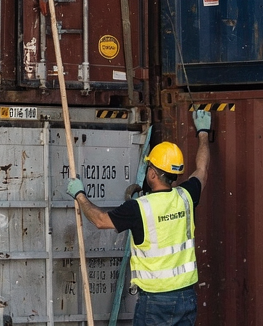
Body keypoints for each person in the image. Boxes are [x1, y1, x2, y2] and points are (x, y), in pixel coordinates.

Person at [65, 109, 212, 326]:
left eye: (149, 167)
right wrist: (203, 133)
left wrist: (80, 196)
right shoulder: (186, 196)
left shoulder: (139, 208)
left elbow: (100, 220)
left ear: (152, 174)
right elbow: (202, 168)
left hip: (155, 301)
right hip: (185, 298)